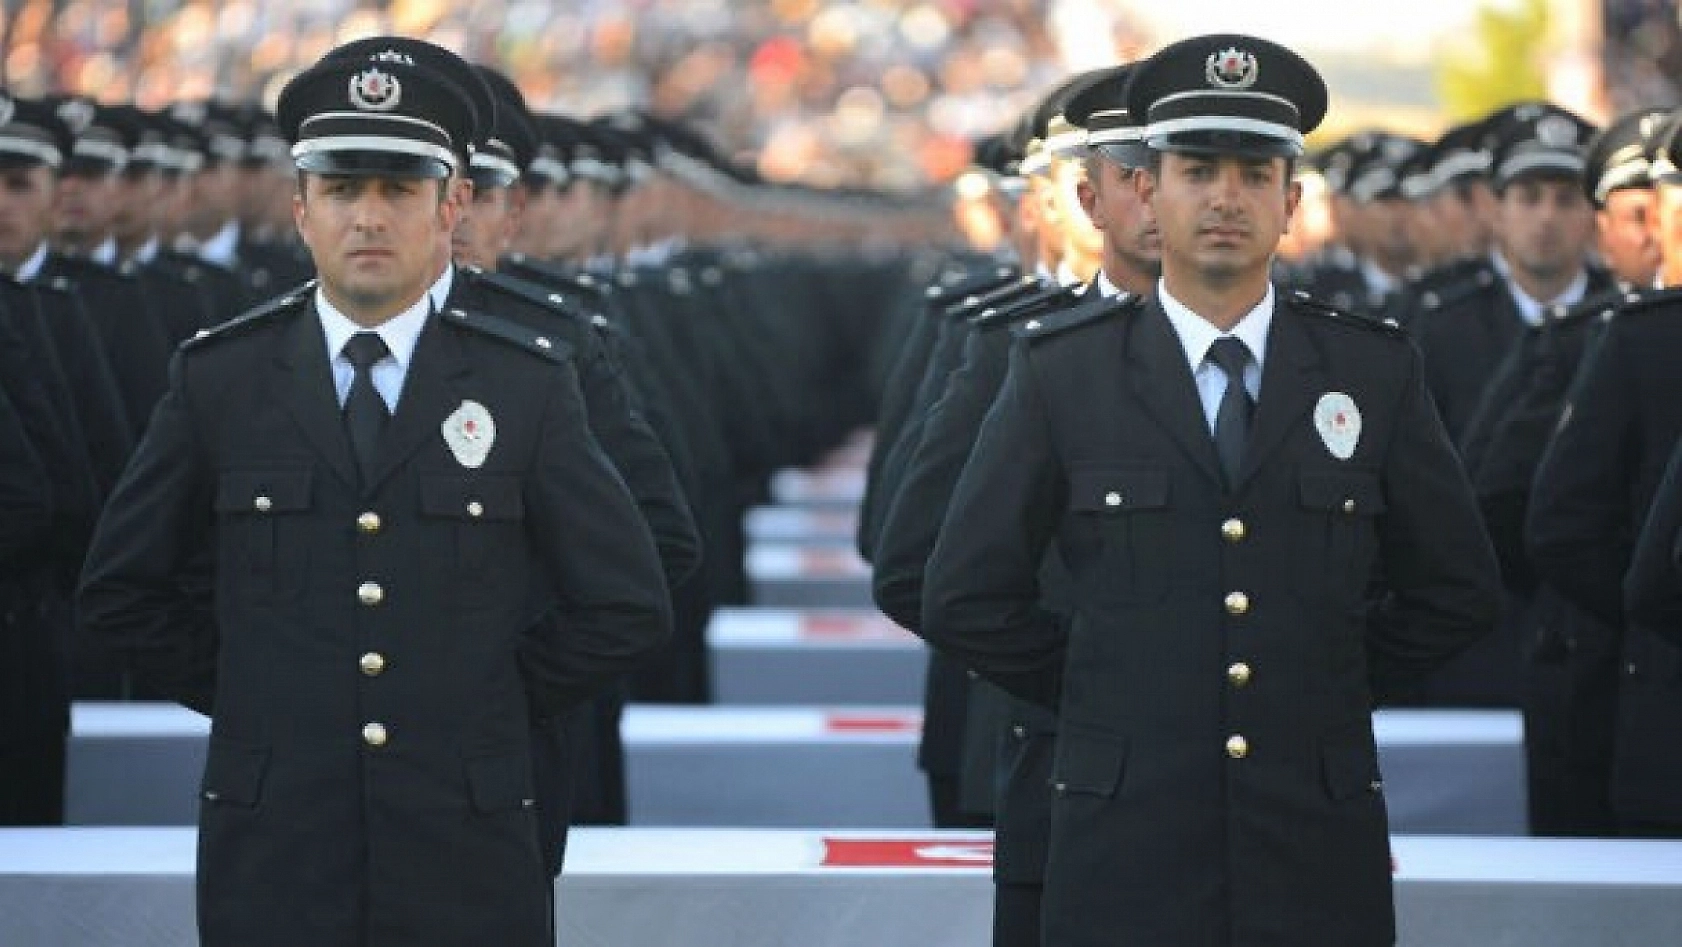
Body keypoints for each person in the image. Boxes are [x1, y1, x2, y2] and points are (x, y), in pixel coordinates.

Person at [76, 43, 672, 946]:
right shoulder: (221, 378)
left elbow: (626, 600)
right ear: (300, 209)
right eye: (342, 188)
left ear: (453, 205)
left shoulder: (525, 383)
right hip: (278, 842)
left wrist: (486, 696)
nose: (368, 216)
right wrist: (262, 693)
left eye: (399, 189)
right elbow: (123, 589)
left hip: (463, 842)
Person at [920, 33, 1502, 946]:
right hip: (1126, 836)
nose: (1227, 197)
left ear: (1292, 202)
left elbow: (1457, 585)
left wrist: (1321, 679)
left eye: (1255, 174)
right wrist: (1115, 687)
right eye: (1197, 171)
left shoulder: (1371, 370)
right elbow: (963, 593)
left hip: (1312, 836)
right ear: (1149, 191)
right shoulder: (1063, 373)